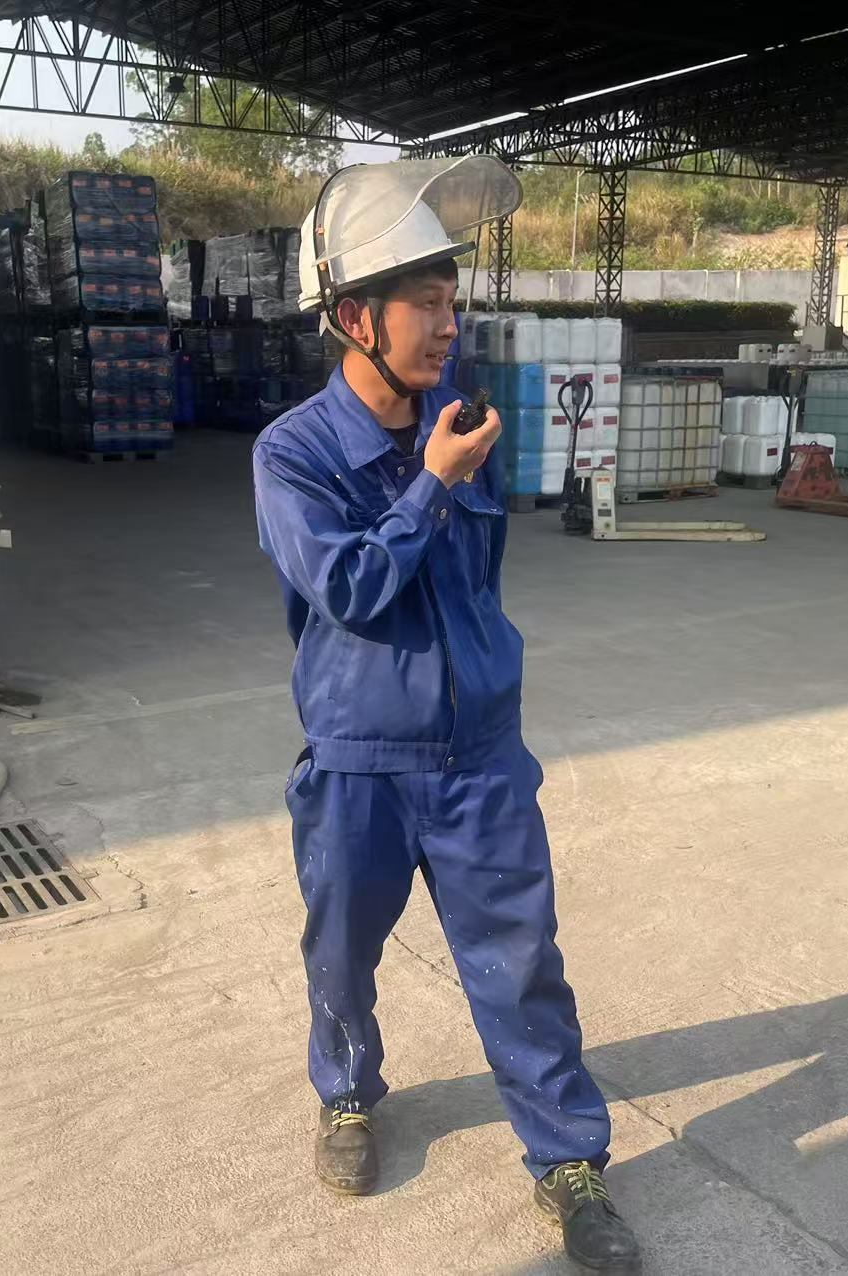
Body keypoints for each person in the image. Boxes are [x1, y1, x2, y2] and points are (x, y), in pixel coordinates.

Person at [250, 157, 642, 1273]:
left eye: (450, 300)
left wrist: (486, 682)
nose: (445, 324)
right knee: (341, 951)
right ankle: (346, 1092)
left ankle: (568, 1160)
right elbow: (352, 590)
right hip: (359, 760)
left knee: (521, 963)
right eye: (422, 303)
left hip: (478, 759)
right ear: (352, 318)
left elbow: (480, 581)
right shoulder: (293, 454)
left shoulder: (464, 428)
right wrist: (427, 484)